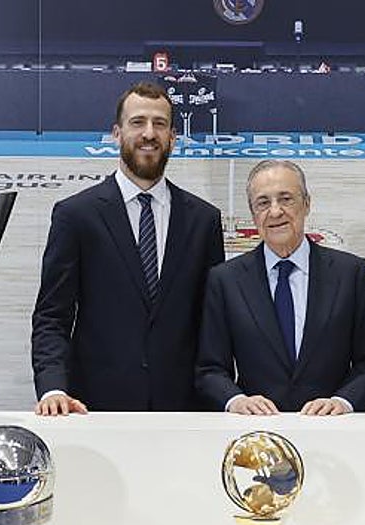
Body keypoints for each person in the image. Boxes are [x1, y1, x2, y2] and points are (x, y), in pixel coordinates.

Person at [31, 82, 226, 414]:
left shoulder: (204, 220)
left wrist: (224, 394)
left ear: (173, 137)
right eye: (138, 122)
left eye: (159, 124)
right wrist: (53, 388)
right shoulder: (76, 215)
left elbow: (213, 325)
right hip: (94, 410)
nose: (149, 133)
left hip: (184, 412)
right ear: (116, 134)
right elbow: (52, 317)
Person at [195, 160, 365, 415]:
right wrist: (235, 400)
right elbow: (209, 369)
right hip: (256, 430)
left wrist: (343, 401)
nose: (275, 211)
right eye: (263, 203)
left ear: (307, 204)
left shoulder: (352, 274)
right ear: (253, 214)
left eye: (286, 199)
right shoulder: (225, 280)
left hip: (331, 428)